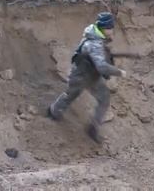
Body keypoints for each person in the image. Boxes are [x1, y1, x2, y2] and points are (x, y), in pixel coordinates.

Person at [48, 12, 128, 143]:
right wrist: (119, 72)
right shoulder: (93, 43)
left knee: (104, 98)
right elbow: (102, 67)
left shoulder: (96, 37)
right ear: (105, 28)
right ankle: (53, 113)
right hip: (81, 76)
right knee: (70, 95)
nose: (113, 30)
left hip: (92, 76)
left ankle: (93, 128)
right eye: (111, 28)